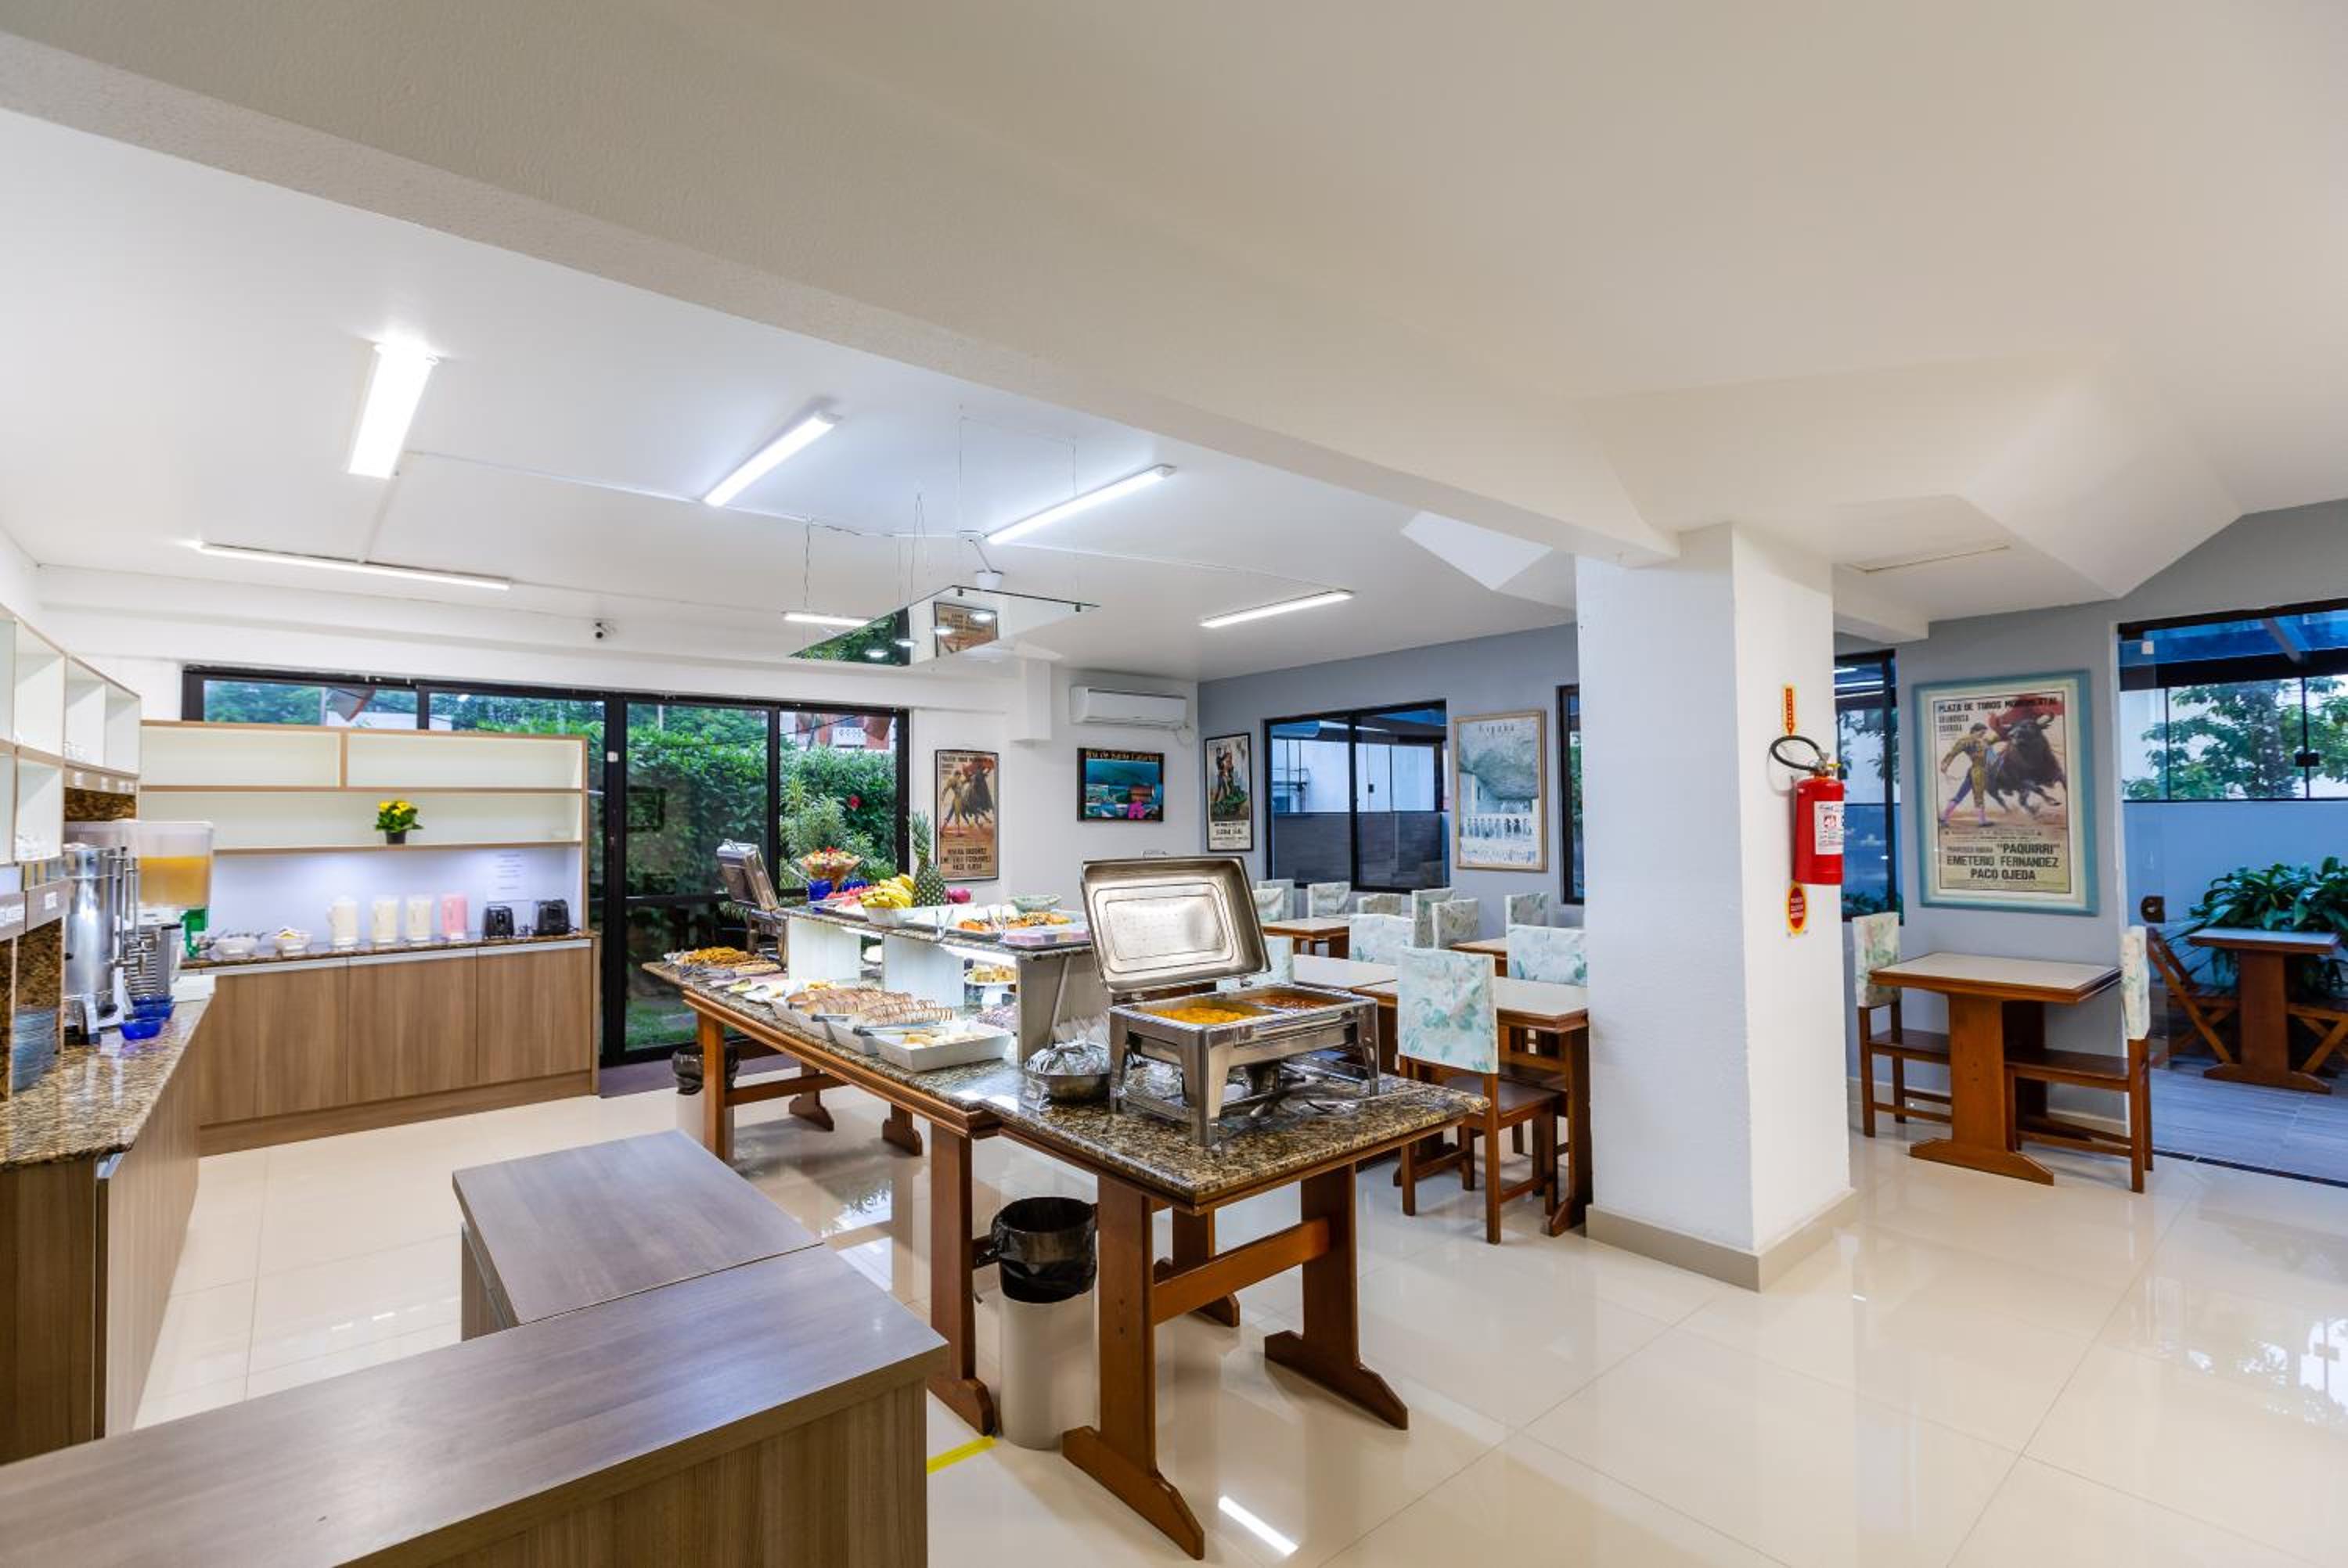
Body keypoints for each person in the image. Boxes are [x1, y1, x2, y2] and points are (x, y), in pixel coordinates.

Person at [1939, 722, 1994, 826]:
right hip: (1978, 771)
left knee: (1961, 795)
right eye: (1981, 733)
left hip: (1976, 770)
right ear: (1974, 731)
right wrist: (1945, 764)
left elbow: (1991, 758)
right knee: (1978, 796)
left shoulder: (1982, 741)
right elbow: (1954, 752)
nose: (1983, 735)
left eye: (1984, 733)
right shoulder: (1967, 740)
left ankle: (1943, 817)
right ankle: (1982, 821)